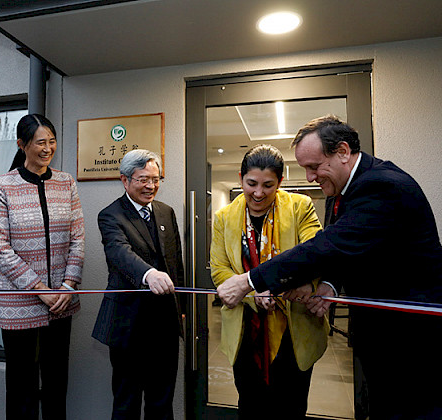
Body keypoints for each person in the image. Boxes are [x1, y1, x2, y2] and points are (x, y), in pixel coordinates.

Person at [217, 115, 442, 419]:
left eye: (313, 166)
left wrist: (251, 280)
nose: (309, 178)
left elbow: (325, 246)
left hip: (409, 339)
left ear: (343, 152)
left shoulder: (382, 186)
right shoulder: (341, 191)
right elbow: (346, 250)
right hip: (379, 336)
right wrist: (328, 285)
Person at [210, 145, 328, 419]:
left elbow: (315, 255)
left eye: (268, 185)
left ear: (281, 182)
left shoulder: (300, 207)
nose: (258, 193)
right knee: (250, 403)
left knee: (292, 406)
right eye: (251, 184)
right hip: (245, 329)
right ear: (241, 178)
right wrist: (252, 293)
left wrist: (277, 285)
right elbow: (220, 269)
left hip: (293, 325)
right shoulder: (224, 218)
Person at [0, 114, 84, 420]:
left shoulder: (66, 182)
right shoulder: (2, 186)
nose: (47, 148)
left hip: (61, 301)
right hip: (19, 303)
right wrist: (40, 290)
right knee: (21, 385)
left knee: (57, 382)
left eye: (51, 141)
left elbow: (78, 239)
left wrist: (67, 286)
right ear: (22, 145)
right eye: (40, 142)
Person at [92, 149, 184, 420]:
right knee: (126, 402)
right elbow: (119, 253)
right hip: (127, 325)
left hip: (165, 325)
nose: (151, 186)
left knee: (161, 401)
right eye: (143, 179)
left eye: (156, 179)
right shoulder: (110, 215)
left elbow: (176, 262)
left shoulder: (166, 212)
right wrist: (149, 274)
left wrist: (182, 309)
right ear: (125, 180)